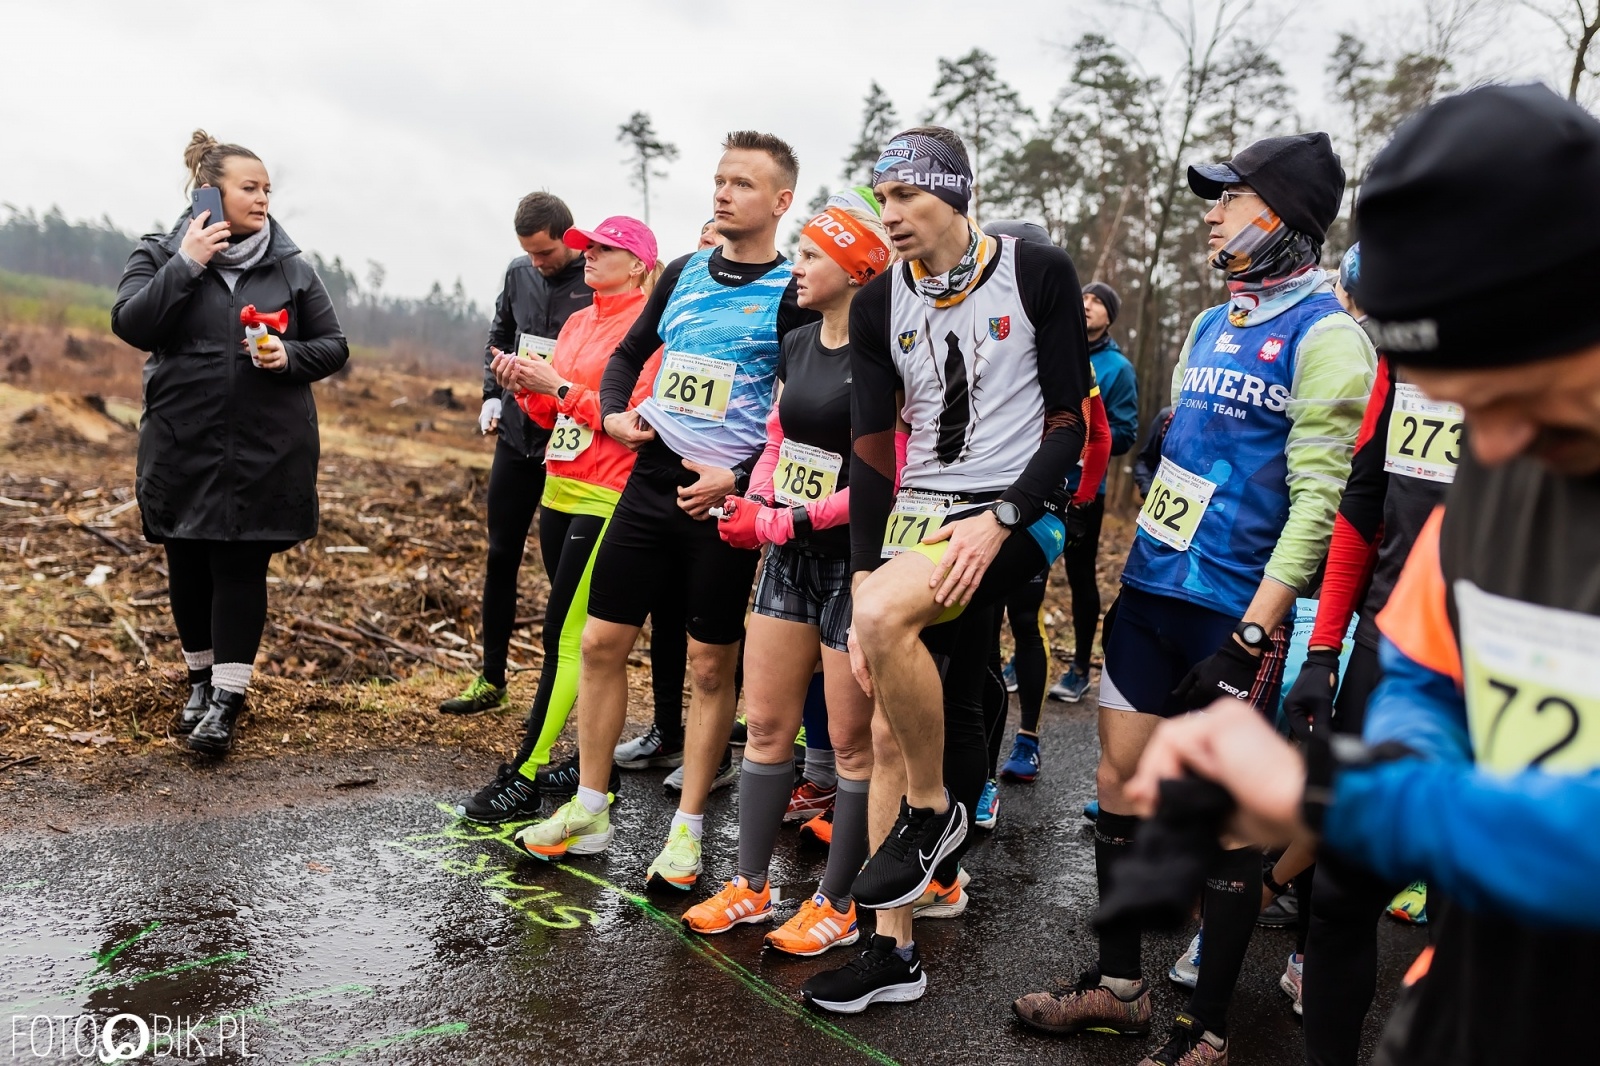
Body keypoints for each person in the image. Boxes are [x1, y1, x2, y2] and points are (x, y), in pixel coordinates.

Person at [1128, 83, 1600, 1066]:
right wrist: (1372, 760)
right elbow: (1424, 672)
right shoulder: (1509, 471)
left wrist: (1341, 797)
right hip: (1484, 986)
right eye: (1462, 408)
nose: (1493, 450)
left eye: (1517, 400)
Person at [1012, 131, 1375, 1065]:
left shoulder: (1330, 337)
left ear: (1284, 216)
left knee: (1219, 818)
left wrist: (1258, 630)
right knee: (1119, 785)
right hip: (1150, 589)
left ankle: (1206, 1030)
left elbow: (1320, 505)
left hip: (1231, 613)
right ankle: (1122, 988)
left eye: (1232, 197)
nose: (1212, 212)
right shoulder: (1215, 323)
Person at [799, 126, 1093, 1013]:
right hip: (920, 520)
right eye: (880, 199)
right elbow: (872, 448)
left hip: (1014, 513)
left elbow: (1070, 426)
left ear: (957, 196)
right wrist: (862, 575)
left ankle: (935, 813)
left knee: (890, 636)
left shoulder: (1036, 270)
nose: (888, 216)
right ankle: (895, 952)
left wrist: (1004, 518)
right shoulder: (884, 297)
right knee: (885, 720)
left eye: (906, 199)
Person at [512, 131, 816, 889]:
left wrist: (740, 475)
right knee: (603, 643)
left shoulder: (793, 292)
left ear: (781, 202)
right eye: (719, 179)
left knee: (712, 669)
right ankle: (588, 806)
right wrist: (615, 413)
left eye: (743, 184)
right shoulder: (681, 272)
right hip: (648, 481)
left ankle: (685, 834)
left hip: (724, 501)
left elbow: (804, 411)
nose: (723, 193)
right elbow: (626, 356)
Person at [681, 197, 894, 955]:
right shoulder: (800, 340)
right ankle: (749, 888)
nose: (794, 267)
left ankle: (836, 905)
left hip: (855, 563)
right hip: (786, 557)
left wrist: (782, 521)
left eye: (809, 256)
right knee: (768, 726)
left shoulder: (886, 357)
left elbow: (881, 478)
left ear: (856, 269)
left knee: (848, 743)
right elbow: (776, 439)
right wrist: (757, 501)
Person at [111, 130, 348, 756]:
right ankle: (197, 682)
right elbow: (132, 324)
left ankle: (225, 703)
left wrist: (287, 355)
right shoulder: (159, 253)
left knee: (241, 563)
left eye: (268, 188)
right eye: (251, 187)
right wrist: (187, 262)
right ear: (209, 193)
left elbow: (333, 344)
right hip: (181, 439)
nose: (264, 198)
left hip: (267, 446)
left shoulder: (291, 266)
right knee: (187, 560)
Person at [449, 216, 661, 821]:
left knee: (567, 641)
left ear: (639, 265)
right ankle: (592, 766)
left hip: (608, 496)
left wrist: (559, 385)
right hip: (560, 487)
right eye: (587, 248)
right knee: (567, 637)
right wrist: (523, 386)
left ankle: (526, 771)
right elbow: (550, 418)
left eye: (605, 249)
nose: (588, 256)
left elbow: (637, 420)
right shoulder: (576, 320)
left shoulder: (650, 330)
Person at [440, 193, 592, 716]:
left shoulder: (594, 280)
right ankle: (491, 679)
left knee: (561, 574)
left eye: (545, 253)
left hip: (570, 444)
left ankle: (563, 693)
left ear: (569, 240)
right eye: (527, 252)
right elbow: (500, 335)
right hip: (516, 433)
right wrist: (490, 392)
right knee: (500, 554)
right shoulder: (517, 273)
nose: (537, 262)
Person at [1047, 279, 1140, 706]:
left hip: (1085, 487)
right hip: (1037, 479)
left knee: (1080, 577)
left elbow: (1124, 433)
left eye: (1097, 301)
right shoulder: (1052, 344)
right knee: (1026, 579)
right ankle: (1025, 657)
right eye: (1082, 296)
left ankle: (1081, 667)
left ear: (1110, 316)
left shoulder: (1118, 369)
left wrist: (1080, 434)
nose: (1086, 304)